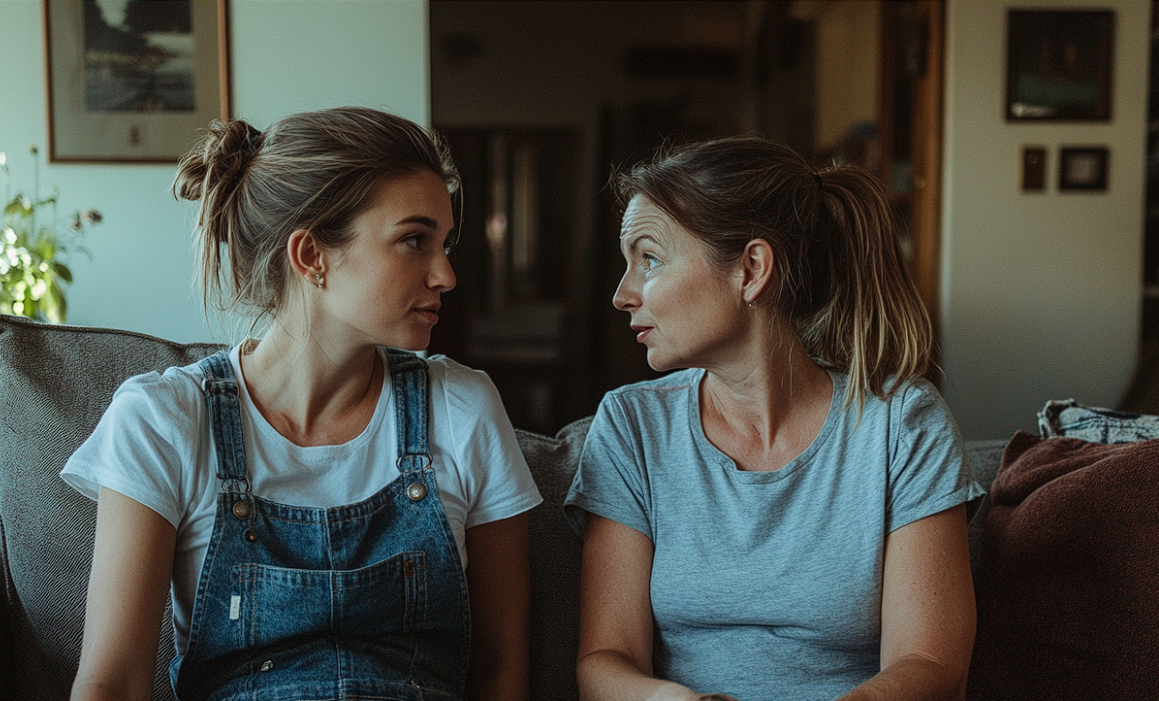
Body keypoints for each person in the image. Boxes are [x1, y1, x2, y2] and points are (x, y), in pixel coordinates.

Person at [63, 107, 541, 701]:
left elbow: (500, 670)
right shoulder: (164, 420)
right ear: (311, 254)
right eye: (414, 241)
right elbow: (113, 683)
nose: (444, 273)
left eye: (445, 244)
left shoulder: (463, 408)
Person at [565, 136, 984, 701]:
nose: (623, 294)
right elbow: (604, 661)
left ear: (752, 269)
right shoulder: (631, 427)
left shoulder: (902, 425)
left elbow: (930, 663)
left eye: (651, 259)